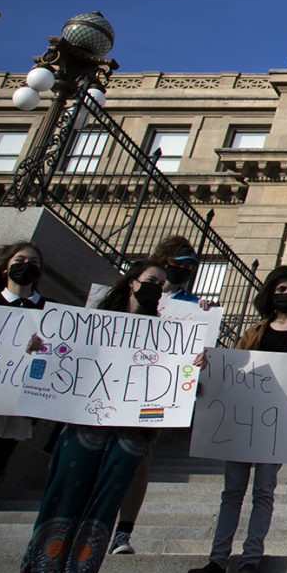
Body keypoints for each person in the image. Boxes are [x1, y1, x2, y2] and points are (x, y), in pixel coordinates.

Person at [0, 260, 174, 573]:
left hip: (128, 436)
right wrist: (39, 350)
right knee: (60, 502)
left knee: (101, 511)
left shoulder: (167, 335)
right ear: (132, 283)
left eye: (161, 283)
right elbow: (58, 361)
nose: (155, 287)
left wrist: (192, 366)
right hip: (83, 427)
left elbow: (176, 380)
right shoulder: (91, 324)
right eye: (149, 281)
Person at [187, 266, 287, 573]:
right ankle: (218, 559)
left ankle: (251, 558)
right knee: (232, 491)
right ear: (271, 292)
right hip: (243, 421)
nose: (286, 294)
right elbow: (232, 367)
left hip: (279, 425)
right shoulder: (255, 331)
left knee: (264, 491)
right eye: (280, 289)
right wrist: (208, 363)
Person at [110, 235, 214, 556]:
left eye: (192, 268)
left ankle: (123, 531)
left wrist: (205, 326)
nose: (185, 272)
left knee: (141, 458)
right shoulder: (126, 295)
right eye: (179, 266)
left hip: (153, 391)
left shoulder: (192, 307)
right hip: (113, 386)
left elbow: (192, 353)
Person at [0, 241, 51, 545]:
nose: (26, 265)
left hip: (14, 410)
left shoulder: (48, 311)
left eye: (33, 261)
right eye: (21, 259)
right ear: (6, 265)